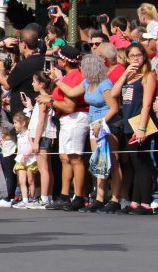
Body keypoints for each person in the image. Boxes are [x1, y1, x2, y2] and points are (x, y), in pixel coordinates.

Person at [54, 53, 121, 212]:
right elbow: (70, 92)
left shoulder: (104, 84)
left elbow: (114, 107)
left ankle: (115, 198)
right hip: (93, 124)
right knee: (99, 162)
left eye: (83, 67)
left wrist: (102, 122)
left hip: (107, 124)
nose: (81, 69)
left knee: (112, 162)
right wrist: (57, 79)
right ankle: (99, 197)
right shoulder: (87, 82)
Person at [111, 42, 157, 214]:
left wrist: (142, 128)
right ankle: (135, 201)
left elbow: (146, 105)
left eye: (138, 55)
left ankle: (145, 202)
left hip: (141, 122)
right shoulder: (129, 76)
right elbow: (114, 93)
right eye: (132, 56)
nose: (135, 59)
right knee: (134, 162)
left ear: (144, 56)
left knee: (142, 163)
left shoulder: (148, 75)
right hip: (128, 122)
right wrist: (124, 75)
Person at [49, 45, 90, 211]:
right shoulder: (68, 76)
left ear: (64, 61)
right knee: (65, 158)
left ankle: (79, 196)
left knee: (75, 157)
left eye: (59, 58)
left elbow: (70, 105)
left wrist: (50, 101)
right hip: (66, 120)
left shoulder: (75, 77)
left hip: (75, 118)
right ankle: (65, 195)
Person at [26, 72, 58, 209]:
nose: (32, 84)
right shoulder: (41, 99)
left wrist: (36, 141)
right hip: (43, 135)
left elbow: (41, 122)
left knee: (43, 168)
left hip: (42, 136)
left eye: (34, 81)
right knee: (46, 168)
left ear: (42, 84)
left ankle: (45, 198)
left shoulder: (43, 100)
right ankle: (47, 196)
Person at [11, 112, 37, 208]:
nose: (14, 125)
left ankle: (31, 197)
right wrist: (16, 163)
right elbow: (19, 149)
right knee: (22, 180)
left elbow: (32, 145)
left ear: (23, 123)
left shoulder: (29, 134)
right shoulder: (18, 136)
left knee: (30, 180)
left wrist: (27, 154)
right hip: (20, 160)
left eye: (15, 123)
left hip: (29, 160)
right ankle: (25, 199)